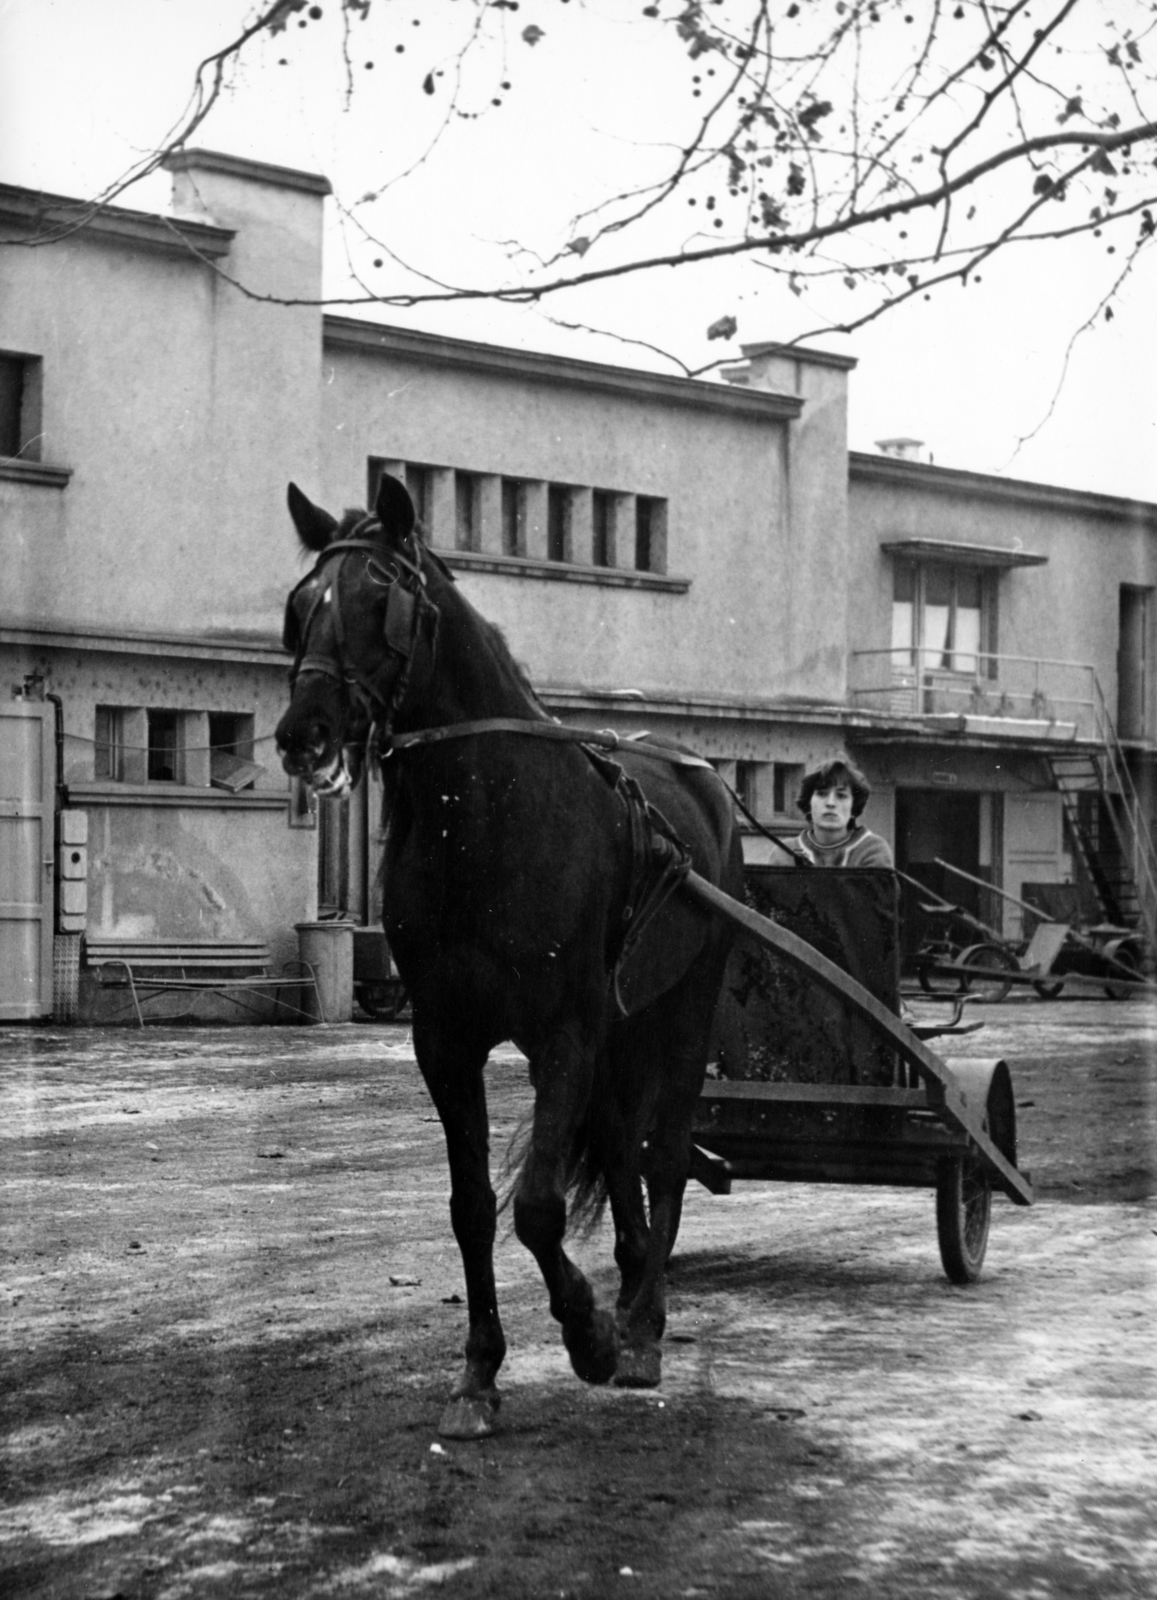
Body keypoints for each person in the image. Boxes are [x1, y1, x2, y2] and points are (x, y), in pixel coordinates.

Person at [792, 758, 894, 868]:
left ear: (854, 806)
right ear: (808, 802)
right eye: (822, 794)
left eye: (841, 796)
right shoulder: (784, 853)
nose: (830, 803)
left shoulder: (873, 850)